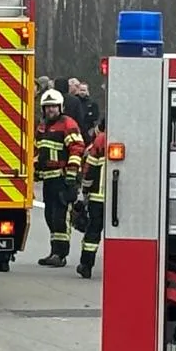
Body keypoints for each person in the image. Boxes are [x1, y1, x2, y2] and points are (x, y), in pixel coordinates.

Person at [34, 88, 83, 266]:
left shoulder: (68, 124)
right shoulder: (42, 126)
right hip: (48, 180)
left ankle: (60, 255)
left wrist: (71, 175)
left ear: (60, 107)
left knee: (61, 218)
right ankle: (54, 251)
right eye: (47, 107)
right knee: (50, 216)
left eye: (53, 107)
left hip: (63, 180)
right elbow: (39, 151)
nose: (50, 110)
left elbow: (76, 149)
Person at [77, 119, 108, 279]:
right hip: (122, 200)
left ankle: (86, 265)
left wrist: (85, 190)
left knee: (93, 232)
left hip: (98, 197)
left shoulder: (101, 139)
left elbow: (90, 168)